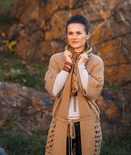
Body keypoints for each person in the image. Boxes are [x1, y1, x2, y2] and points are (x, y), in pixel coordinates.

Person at [45, 14, 104, 155]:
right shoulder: (56, 59)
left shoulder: (96, 61)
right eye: (70, 33)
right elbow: (53, 90)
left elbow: (92, 93)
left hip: (87, 122)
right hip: (61, 122)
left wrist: (81, 66)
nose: (74, 37)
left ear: (87, 35)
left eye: (79, 33)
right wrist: (67, 65)